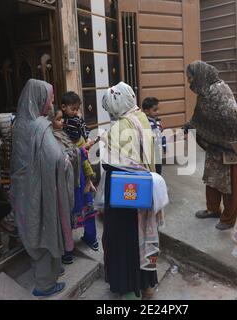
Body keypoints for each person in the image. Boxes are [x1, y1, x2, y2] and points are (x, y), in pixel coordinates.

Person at [10, 79, 75, 298]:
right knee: (45, 230)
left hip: (23, 188)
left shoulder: (20, 123)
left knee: (33, 229)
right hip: (40, 190)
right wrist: (69, 157)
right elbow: (56, 158)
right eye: (50, 98)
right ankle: (45, 285)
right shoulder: (39, 126)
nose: (51, 102)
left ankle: (52, 271)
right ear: (39, 98)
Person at [101, 82, 163, 300]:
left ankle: (128, 289)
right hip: (143, 190)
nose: (109, 113)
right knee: (143, 239)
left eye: (109, 108)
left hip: (123, 196)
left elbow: (110, 165)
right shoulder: (142, 117)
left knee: (124, 241)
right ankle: (147, 286)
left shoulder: (119, 128)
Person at [184, 61, 237, 230]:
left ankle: (228, 219)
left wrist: (201, 129)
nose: (190, 83)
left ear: (200, 76)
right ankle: (213, 209)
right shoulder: (206, 91)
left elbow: (231, 119)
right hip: (215, 145)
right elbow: (202, 117)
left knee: (231, 184)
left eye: (191, 79)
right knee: (212, 179)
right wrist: (193, 125)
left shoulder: (219, 91)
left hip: (231, 146)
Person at [49, 107, 100, 266]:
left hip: (80, 178)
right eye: (58, 119)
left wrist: (89, 177)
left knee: (87, 207)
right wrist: (82, 150)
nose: (62, 121)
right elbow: (61, 159)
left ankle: (90, 238)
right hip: (65, 182)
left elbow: (75, 155)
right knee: (66, 214)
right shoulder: (50, 139)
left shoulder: (65, 134)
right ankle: (67, 250)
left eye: (62, 118)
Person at [142, 97, 167, 175]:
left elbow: (160, 135)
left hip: (157, 151)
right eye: (155, 110)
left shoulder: (157, 121)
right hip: (150, 153)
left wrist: (164, 146)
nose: (158, 112)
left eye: (158, 109)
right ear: (146, 111)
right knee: (152, 172)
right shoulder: (145, 123)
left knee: (158, 171)